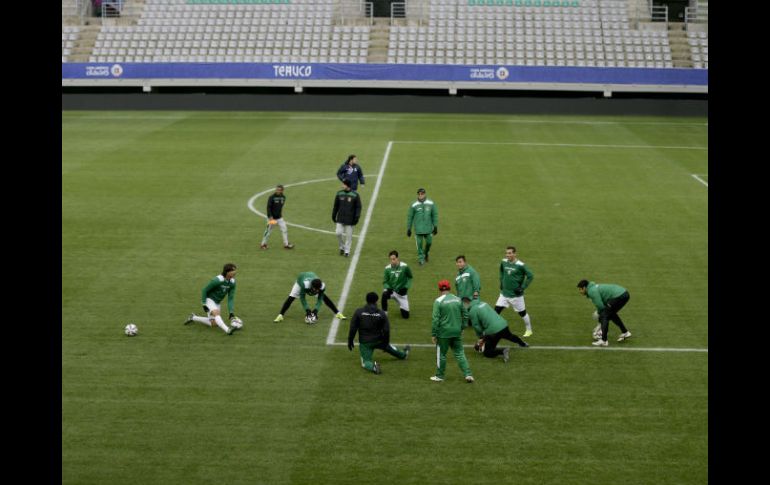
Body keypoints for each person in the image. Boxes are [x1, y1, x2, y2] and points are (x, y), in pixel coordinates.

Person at [348, 292, 411, 374]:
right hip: (379, 340)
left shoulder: (358, 312)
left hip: (365, 342)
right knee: (390, 348)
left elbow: (353, 328)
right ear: (376, 301)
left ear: (366, 300)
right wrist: (386, 343)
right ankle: (403, 354)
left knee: (365, 362)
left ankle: (373, 367)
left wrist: (350, 340)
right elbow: (386, 330)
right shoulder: (381, 313)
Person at [430, 280, 474, 383]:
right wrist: (462, 327)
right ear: (449, 288)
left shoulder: (438, 301)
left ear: (439, 289)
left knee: (442, 355)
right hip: (456, 331)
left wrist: (434, 334)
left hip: (443, 333)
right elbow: (466, 315)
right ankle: (468, 374)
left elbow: (435, 319)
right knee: (460, 353)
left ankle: (440, 376)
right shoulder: (458, 299)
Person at [462, 297, 528, 363]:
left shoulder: (472, 311)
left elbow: (476, 326)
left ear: (465, 304)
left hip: (493, 331)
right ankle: (523, 343)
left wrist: (481, 338)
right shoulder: (483, 303)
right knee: (510, 336)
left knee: (487, 353)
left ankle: (502, 351)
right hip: (503, 324)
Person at [184, 263, 241, 335]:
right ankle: (227, 330)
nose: (235, 272)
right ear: (227, 272)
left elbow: (230, 298)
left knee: (214, 323)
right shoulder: (217, 280)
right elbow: (204, 290)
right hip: (209, 300)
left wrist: (231, 312)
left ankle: (193, 317)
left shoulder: (232, 282)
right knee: (216, 313)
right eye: (233, 270)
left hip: (217, 302)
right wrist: (204, 303)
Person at [274, 271, 346, 323]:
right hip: (300, 280)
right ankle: (280, 315)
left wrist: (316, 310)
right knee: (291, 297)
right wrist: (307, 310)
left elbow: (320, 299)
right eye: (315, 289)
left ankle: (337, 313)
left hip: (311, 275)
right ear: (312, 286)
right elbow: (302, 298)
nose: (317, 291)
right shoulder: (304, 285)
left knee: (325, 298)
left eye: (318, 290)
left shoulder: (322, 287)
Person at [577, 279, 632, 347]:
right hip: (623, 294)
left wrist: (599, 315)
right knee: (611, 314)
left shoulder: (591, 291)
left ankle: (604, 340)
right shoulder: (592, 288)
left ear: (584, 288)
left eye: (580, 289)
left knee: (604, 315)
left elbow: (600, 306)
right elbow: (602, 304)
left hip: (619, 296)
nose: (580, 291)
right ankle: (625, 332)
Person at [495, 246, 535, 337]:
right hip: (504, 294)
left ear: (514, 254)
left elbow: (530, 276)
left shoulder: (521, 265)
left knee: (522, 313)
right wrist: (501, 281)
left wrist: (523, 287)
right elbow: (501, 271)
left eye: (509, 253)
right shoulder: (504, 262)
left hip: (516, 296)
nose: (507, 255)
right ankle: (493, 329)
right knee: (495, 312)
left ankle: (529, 330)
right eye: (506, 253)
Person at [406, 188, 438, 265]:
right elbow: (410, 217)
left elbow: (434, 215)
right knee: (419, 245)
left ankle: (426, 253)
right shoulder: (414, 204)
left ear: (425, 194)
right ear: (418, 194)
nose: (420, 195)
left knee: (429, 243)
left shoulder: (431, 203)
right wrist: (409, 228)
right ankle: (421, 259)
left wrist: (435, 226)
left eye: (422, 194)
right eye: (419, 194)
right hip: (418, 229)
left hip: (428, 229)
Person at [332, 180, 362, 257]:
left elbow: (358, 207)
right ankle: (342, 247)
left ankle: (347, 251)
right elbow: (335, 206)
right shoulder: (339, 193)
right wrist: (334, 215)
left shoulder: (355, 195)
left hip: (350, 219)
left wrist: (357, 217)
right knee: (338, 233)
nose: (342, 185)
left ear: (347, 185)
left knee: (348, 236)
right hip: (340, 218)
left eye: (343, 184)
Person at [260, 184, 294, 250]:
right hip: (272, 218)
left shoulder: (283, 197)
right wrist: (270, 216)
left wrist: (280, 214)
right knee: (268, 231)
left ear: (282, 191)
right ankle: (263, 244)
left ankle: (286, 244)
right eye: (277, 189)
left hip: (279, 218)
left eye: (279, 190)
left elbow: (280, 207)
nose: (277, 191)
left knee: (284, 229)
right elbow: (268, 207)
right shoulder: (271, 197)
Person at [382, 250, 414, 319]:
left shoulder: (405, 266)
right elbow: (385, 282)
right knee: (384, 294)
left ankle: (402, 305)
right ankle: (384, 313)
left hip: (401, 293)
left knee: (406, 316)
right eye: (391, 259)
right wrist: (388, 288)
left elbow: (410, 277)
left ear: (397, 258)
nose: (392, 261)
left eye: (394, 259)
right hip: (392, 291)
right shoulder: (387, 269)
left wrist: (406, 287)